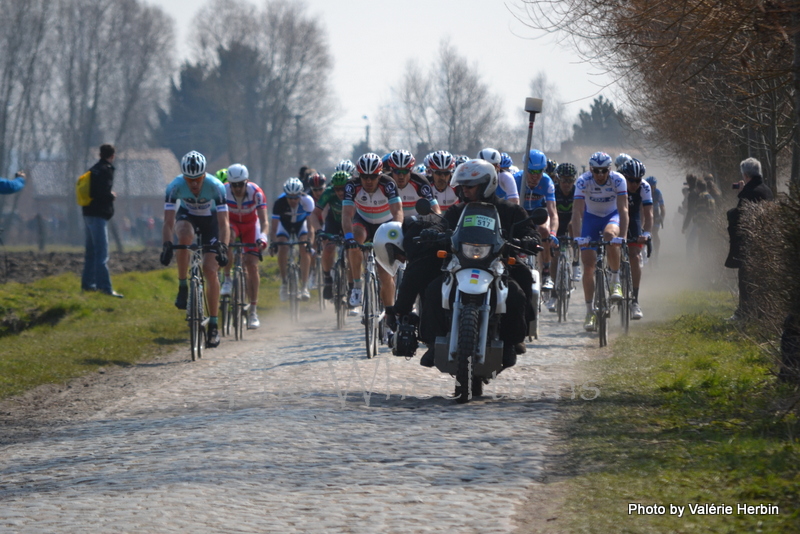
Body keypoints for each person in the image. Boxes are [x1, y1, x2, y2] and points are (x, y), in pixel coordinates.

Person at [418, 159, 539, 369]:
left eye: (470, 186)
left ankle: (512, 341)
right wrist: (434, 233)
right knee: (434, 289)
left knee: (520, 287)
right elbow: (442, 225)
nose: (465, 190)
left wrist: (529, 239)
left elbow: (529, 230)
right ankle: (432, 342)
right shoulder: (457, 211)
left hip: (499, 264)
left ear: (487, 184)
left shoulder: (511, 211)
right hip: (461, 264)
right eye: (463, 186)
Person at [160, 150, 230, 348]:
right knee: (183, 235)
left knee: (210, 269)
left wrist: (223, 247)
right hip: (188, 217)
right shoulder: (174, 187)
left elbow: (225, 224)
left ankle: (214, 326)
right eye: (189, 179)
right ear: (183, 177)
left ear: (204, 174)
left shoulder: (216, 187)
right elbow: (167, 222)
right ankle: (183, 286)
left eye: (197, 179)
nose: (193, 184)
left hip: (211, 223)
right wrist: (166, 244)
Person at [571, 151, 629, 332]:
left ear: (609, 169)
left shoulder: (618, 180)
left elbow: (623, 209)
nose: (600, 174)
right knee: (588, 265)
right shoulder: (583, 181)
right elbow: (577, 211)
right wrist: (578, 237)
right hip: (591, 218)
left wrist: (624, 236)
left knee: (610, 237)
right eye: (596, 171)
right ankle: (589, 312)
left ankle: (615, 280)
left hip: (612, 216)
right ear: (591, 169)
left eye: (604, 170)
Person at [341, 152, 403, 312]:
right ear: (359, 175)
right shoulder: (351, 185)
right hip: (364, 222)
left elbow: (397, 210)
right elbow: (347, 214)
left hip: (386, 223)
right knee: (355, 238)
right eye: (364, 177)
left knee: (385, 274)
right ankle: (356, 287)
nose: (368, 181)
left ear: (379, 175)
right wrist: (348, 238)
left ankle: (390, 315)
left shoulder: (388, 183)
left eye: (373, 177)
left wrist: (396, 230)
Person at [220, 164, 268, 329]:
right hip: (232, 223)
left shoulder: (256, 193)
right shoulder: (223, 191)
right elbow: (221, 220)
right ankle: (227, 279)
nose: (238, 188)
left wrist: (263, 236)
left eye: (241, 184)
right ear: (230, 183)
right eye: (234, 184)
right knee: (228, 238)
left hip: (250, 225)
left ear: (246, 182)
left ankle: (253, 310)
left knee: (252, 266)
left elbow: (264, 221)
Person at [725, 157, 774, 321]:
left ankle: (744, 313)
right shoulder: (766, 190)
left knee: (746, 278)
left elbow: (740, 217)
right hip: (765, 240)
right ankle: (760, 313)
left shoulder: (751, 192)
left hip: (750, 243)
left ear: (746, 175)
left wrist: (740, 196)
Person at [513, 149, 559, 291]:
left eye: (539, 171)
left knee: (544, 230)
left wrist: (553, 233)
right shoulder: (516, 179)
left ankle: (546, 273)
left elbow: (553, 212)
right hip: (521, 212)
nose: (536, 176)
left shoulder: (546, 181)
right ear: (525, 168)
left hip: (538, 212)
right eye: (532, 172)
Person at [81, 144, 123, 298]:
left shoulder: (94, 169)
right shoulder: (106, 170)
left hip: (87, 213)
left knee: (91, 253)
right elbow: (101, 192)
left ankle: (88, 285)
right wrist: (111, 196)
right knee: (102, 254)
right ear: (112, 155)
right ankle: (105, 288)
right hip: (98, 215)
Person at [269, 177, 317, 301]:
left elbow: (311, 226)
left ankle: (304, 286)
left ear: (300, 194)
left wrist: (310, 242)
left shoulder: (307, 201)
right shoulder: (279, 202)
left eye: (296, 197)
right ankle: (284, 283)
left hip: (301, 226)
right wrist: (273, 243)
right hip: (284, 226)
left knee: (304, 248)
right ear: (286, 195)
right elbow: (274, 228)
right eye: (290, 197)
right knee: (282, 247)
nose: (293, 200)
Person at [619, 158, 652, 320]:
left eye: (637, 180)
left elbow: (648, 213)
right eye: (630, 180)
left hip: (634, 219)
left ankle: (635, 301)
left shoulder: (645, 187)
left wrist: (646, 234)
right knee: (612, 245)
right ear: (624, 177)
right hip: (616, 216)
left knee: (635, 255)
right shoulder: (617, 183)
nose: (634, 184)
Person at [545, 162, 579, 312]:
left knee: (573, 225)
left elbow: (581, 214)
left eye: (570, 180)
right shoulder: (554, 190)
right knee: (556, 257)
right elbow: (550, 213)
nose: (567, 184)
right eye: (564, 180)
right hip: (557, 224)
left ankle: (576, 262)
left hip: (571, 223)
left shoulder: (577, 192)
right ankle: (553, 294)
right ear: (558, 179)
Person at [314, 170, 349, 300]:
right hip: (333, 222)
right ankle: (328, 278)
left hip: (350, 222)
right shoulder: (328, 192)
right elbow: (313, 214)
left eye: (343, 189)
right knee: (328, 247)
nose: (340, 192)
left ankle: (352, 287)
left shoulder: (354, 192)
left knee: (352, 251)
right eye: (337, 189)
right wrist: (319, 230)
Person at [386, 149, 440, 217]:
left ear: (411, 170)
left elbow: (436, 209)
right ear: (391, 170)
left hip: (414, 223)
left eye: (405, 171)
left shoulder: (420, 182)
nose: (401, 176)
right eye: (397, 171)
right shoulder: (386, 181)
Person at [646, 176, 665, 261]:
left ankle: (656, 254)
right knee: (647, 234)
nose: (652, 189)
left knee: (655, 233)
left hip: (656, 214)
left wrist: (661, 218)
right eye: (650, 187)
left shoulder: (658, 193)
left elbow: (663, 208)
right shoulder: (644, 192)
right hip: (646, 214)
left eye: (653, 187)